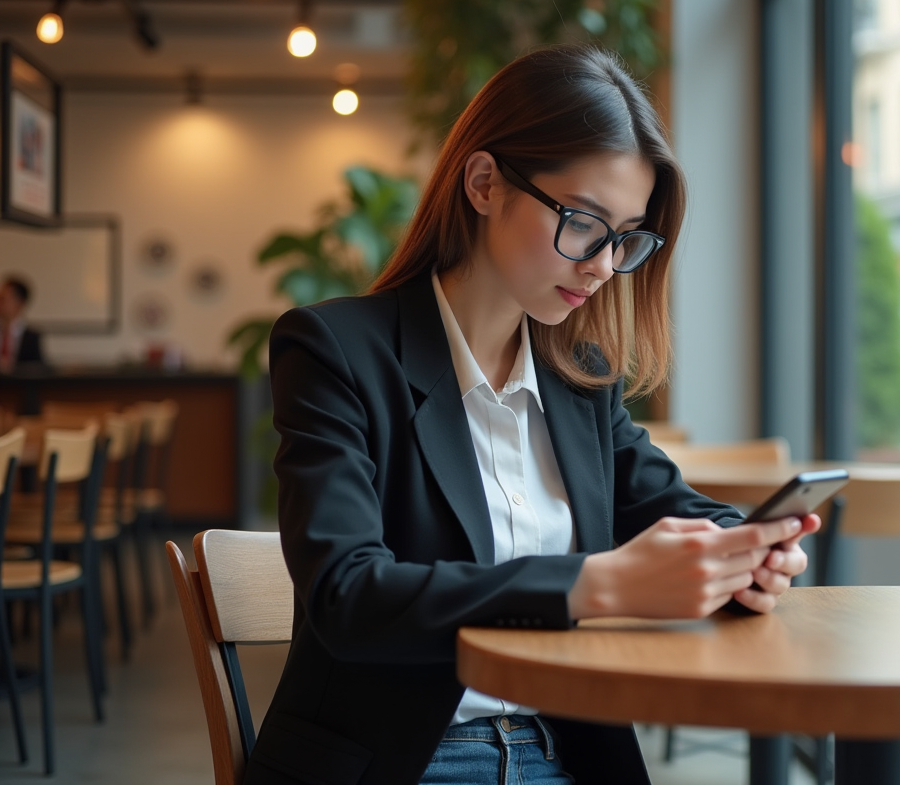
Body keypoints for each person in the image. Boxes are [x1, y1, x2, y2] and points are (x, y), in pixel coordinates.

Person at [246, 45, 821, 785]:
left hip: (563, 754)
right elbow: (347, 594)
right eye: (583, 223)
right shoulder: (336, 349)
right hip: (402, 763)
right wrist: (596, 584)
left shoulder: (579, 380)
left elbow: (682, 511)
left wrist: (747, 553)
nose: (603, 265)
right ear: (485, 184)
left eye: (625, 237)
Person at [0, 276, 43, 373]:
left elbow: (38, 370)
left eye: (3, 299)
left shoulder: (31, 337)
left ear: (19, 303)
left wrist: (12, 368)